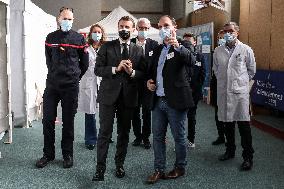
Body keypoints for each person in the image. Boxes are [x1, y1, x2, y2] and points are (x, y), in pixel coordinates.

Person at [92, 16, 146, 181]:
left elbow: (143, 73)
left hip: (128, 98)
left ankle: (119, 165)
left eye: (128, 27)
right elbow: (97, 69)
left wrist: (132, 72)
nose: (124, 29)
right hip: (108, 96)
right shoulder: (107, 47)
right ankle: (100, 169)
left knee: (124, 133)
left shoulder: (138, 50)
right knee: (104, 133)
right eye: (122, 26)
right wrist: (116, 69)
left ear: (133, 30)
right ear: (118, 27)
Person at [36, 7, 89, 169]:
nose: (67, 21)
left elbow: (84, 64)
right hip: (52, 85)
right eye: (64, 18)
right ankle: (48, 154)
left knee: (68, 122)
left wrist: (74, 77)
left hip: (70, 86)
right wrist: (54, 74)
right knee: (47, 120)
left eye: (70, 19)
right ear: (58, 19)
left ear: (73, 20)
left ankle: (67, 154)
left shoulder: (79, 39)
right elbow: (48, 60)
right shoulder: (50, 38)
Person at [146, 15, 194, 184]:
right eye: (160, 27)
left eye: (166, 25)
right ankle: (159, 169)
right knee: (157, 137)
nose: (162, 29)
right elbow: (152, 71)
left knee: (179, 137)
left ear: (175, 26)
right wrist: (149, 82)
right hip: (158, 100)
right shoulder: (158, 49)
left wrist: (178, 46)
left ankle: (180, 167)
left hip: (176, 101)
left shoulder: (184, 44)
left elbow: (192, 61)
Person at [213, 22, 256, 171]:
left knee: (244, 128)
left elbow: (251, 71)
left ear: (237, 32)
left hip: (240, 95)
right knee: (228, 126)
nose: (228, 33)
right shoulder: (218, 50)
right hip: (224, 93)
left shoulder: (245, 49)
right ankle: (229, 151)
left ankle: (248, 157)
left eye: (231, 31)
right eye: (225, 31)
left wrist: (240, 84)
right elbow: (216, 69)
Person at [130, 18, 159, 149]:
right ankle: (137, 136)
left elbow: (156, 66)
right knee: (134, 112)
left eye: (146, 28)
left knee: (147, 112)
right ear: (136, 28)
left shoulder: (154, 45)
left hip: (148, 84)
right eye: (141, 28)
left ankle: (146, 137)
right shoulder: (129, 43)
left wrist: (152, 80)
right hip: (133, 83)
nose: (143, 30)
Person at [78, 24, 106, 150]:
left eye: (99, 32)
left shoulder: (106, 48)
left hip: (104, 82)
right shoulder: (85, 49)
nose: (97, 34)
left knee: (106, 112)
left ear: (102, 34)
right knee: (90, 112)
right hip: (89, 82)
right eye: (95, 32)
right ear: (90, 34)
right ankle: (90, 139)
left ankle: (106, 136)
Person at [181, 33, 205, 148]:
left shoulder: (200, 56)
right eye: (184, 42)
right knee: (179, 118)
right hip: (181, 91)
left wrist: (195, 87)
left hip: (194, 93)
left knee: (191, 117)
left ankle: (191, 139)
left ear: (194, 43)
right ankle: (179, 142)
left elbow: (203, 74)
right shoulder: (179, 55)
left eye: (189, 42)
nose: (187, 44)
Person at [211, 30, 226, 145]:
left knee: (229, 116)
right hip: (217, 86)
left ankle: (229, 139)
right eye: (219, 38)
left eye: (223, 37)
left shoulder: (235, 51)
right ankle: (221, 136)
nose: (221, 40)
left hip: (229, 88)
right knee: (218, 114)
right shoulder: (215, 52)